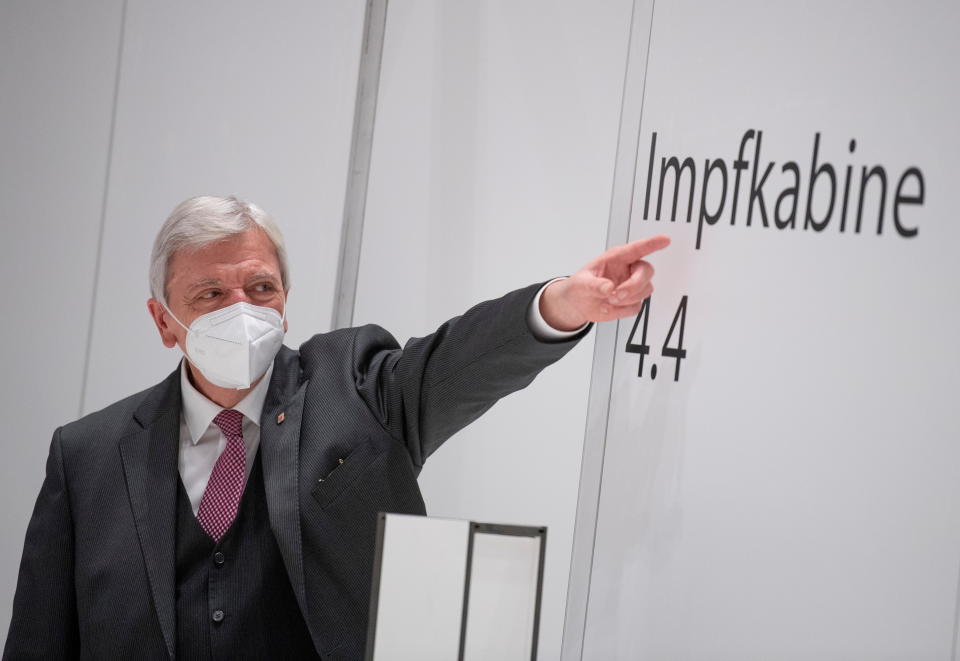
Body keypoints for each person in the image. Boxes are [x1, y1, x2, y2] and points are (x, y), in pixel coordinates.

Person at [4, 196, 668, 660]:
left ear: (285, 302)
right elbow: (39, 642)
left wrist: (560, 303)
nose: (243, 308)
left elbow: (453, 363)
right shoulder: (87, 456)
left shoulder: (353, 386)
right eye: (211, 294)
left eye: (261, 288)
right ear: (161, 320)